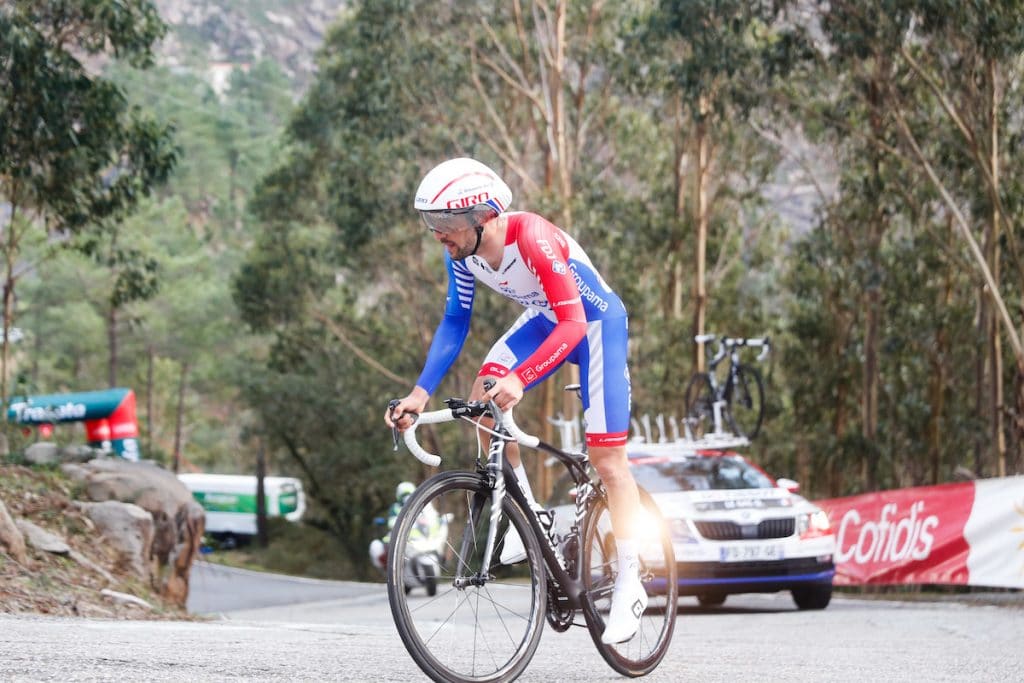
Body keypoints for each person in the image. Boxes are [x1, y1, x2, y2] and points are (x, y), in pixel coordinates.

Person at [385, 157, 647, 644]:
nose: (437, 234)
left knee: (609, 460)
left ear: (482, 216)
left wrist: (522, 380)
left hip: (592, 326)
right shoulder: (461, 252)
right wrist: (420, 393)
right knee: (482, 400)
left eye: (444, 223)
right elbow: (454, 324)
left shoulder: (532, 238)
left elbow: (573, 323)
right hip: (547, 318)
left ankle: (631, 580)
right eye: (430, 223)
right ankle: (529, 512)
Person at [369, 481, 416, 571]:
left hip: (417, 539)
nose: (406, 498)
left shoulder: (422, 507)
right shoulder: (395, 507)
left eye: (409, 494)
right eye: (404, 495)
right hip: (397, 537)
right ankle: (389, 569)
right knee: (384, 548)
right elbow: (391, 521)